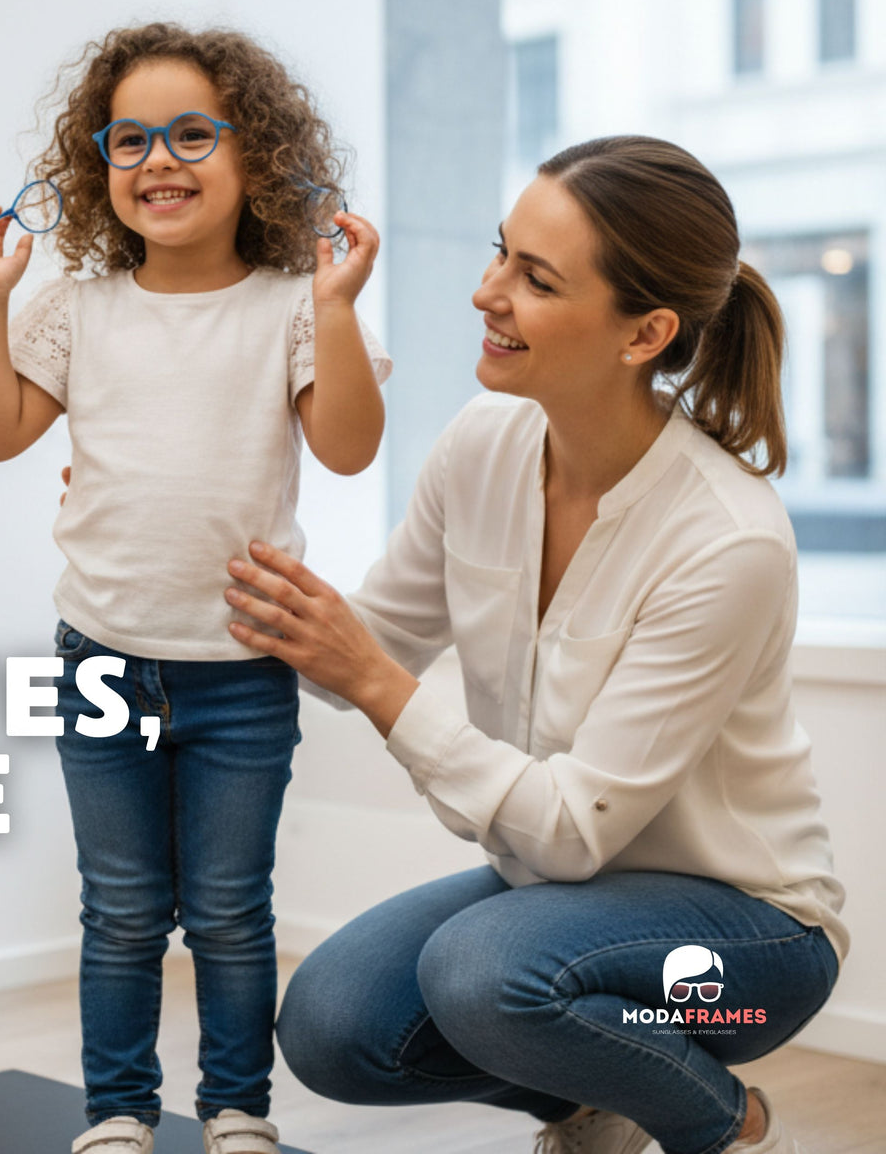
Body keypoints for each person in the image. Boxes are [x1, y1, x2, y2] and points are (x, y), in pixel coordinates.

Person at [223, 135, 844, 1154]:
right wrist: (171, 524)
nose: (486, 292)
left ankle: (724, 1122)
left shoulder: (727, 540)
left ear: (642, 333)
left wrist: (376, 682)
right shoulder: (484, 442)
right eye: (499, 252)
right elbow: (365, 643)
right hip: (560, 908)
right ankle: (597, 1100)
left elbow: (564, 829)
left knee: (481, 974)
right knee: (332, 1028)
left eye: (535, 279)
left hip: (750, 942)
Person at [0, 22, 392, 1154]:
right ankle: (118, 1114)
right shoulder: (79, 308)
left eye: (193, 133)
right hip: (100, 654)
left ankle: (236, 1111)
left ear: (259, 160)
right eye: (129, 138)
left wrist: (335, 308)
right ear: (100, 168)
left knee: (233, 914)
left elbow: (345, 448)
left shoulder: (295, 303)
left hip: (241, 666)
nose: (158, 160)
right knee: (124, 911)